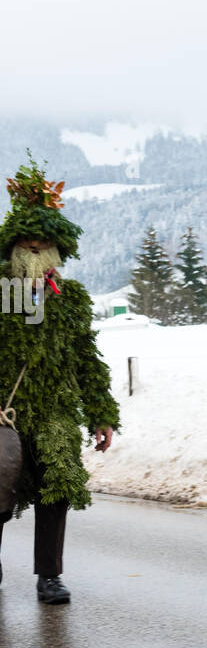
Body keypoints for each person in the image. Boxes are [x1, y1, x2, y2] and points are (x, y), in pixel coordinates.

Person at [0, 154, 119, 604]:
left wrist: (101, 413)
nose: (32, 254)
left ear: (54, 251)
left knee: (60, 482)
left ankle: (48, 575)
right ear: (11, 248)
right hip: (4, 413)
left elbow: (86, 358)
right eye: (24, 246)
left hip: (53, 412)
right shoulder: (1, 293)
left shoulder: (70, 300)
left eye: (40, 247)